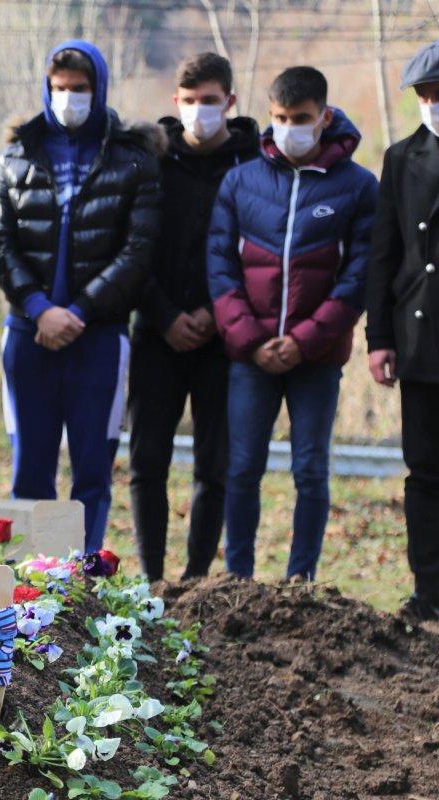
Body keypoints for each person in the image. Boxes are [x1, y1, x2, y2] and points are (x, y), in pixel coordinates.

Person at [0, 39, 160, 552]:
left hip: (99, 338)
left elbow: (138, 249)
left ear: (98, 89)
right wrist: (39, 309)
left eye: (79, 89)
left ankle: (81, 585)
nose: (68, 99)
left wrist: (79, 312)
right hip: (28, 334)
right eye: (59, 89)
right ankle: (27, 589)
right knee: (30, 473)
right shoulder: (16, 153)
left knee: (92, 474)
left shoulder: (132, 158)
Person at [208, 66, 377, 581]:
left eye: (300, 119)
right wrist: (253, 340)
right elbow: (220, 267)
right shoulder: (240, 181)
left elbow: (357, 279)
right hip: (251, 356)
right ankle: (238, 580)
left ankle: (300, 581)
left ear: (324, 117)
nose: (288, 128)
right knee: (241, 469)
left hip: (316, 358)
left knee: (310, 470)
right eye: (279, 118)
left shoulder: (359, 186)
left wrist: (303, 341)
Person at [128, 53, 260, 582]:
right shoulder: (151, 162)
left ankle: (196, 578)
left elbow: (262, 252)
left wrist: (214, 312)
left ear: (230, 101)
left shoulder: (253, 165)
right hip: (156, 332)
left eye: (210, 101)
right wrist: (163, 314)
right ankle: (153, 577)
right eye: (190, 102)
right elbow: (132, 247)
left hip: (224, 338)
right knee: (147, 461)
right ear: (175, 103)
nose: (200, 111)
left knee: (215, 465)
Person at [366, 40, 439, 621]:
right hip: (421, 341)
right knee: (425, 471)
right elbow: (382, 257)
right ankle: (429, 589)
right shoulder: (400, 158)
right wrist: (379, 339)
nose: (433, 103)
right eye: (425, 95)